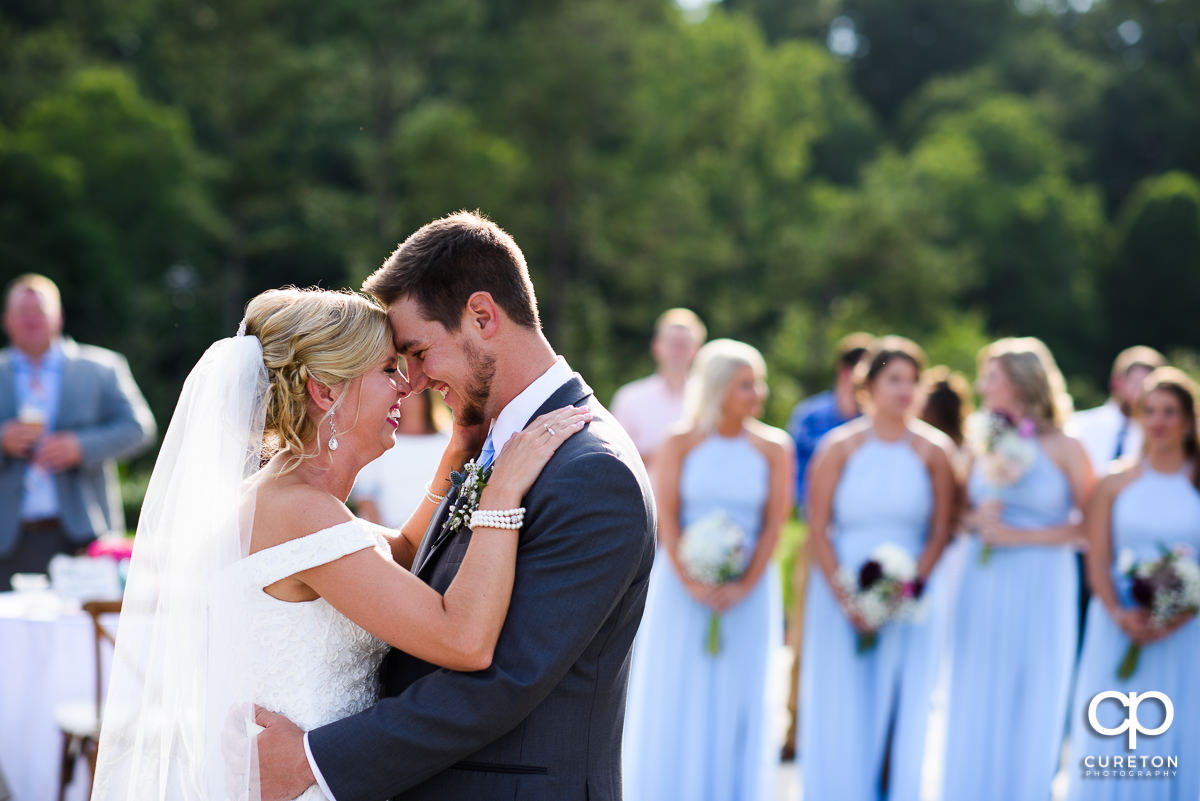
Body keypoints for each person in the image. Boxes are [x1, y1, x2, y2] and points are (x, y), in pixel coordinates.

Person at [90, 286, 591, 801]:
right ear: (325, 391)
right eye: (385, 370)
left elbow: (396, 556)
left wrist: (460, 450)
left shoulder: (287, 497)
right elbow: (462, 640)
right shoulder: (301, 512)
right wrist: (502, 496)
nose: (406, 386)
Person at [257, 212, 657, 801]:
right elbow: (409, 569)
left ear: (481, 316)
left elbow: (503, 678)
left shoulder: (592, 471)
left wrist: (314, 762)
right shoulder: (486, 442)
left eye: (417, 352)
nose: (412, 381)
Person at [622, 339, 793, 801]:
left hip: (752, 592)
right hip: (681, 589)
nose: (757, 392)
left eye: (757, 382)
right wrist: (692, 580)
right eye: (745, 384)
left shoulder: (776, 447)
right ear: (718, 388)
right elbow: (668, 520)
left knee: (741, 692)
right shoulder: (680, 442)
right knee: (681, 690)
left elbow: (775, 526)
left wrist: (743, 586)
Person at [935, 337, 1094, 801]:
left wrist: (1022, 536)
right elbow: (957, 514)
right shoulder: (980, 440)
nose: (982, 386)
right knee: (977, 688)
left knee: (1033, 689)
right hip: (984, 582)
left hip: (1043, 581)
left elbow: (1090, 529)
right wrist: (974, 521)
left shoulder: (1065, 446)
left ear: (1021, 382)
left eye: (991, 377)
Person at [799, 337, 956, 801]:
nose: (905, 390)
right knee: (843, 703)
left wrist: (905, 590)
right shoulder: (838, 447)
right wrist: (848, 597)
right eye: (894, 379)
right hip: (840, 593)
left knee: (905, 705)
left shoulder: (935, 451)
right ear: (868, 386)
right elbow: (817, 529)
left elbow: (940, 531)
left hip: (913, 598)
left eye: (912, 380)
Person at [1064, 367, 1200, 801]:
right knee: (1116, 737)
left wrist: (1177, 615)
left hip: (1186, 633)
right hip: (1118, 624)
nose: (1159, 421)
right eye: (1150, 411)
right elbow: (1097, 559)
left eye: (1170, 411)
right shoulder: (1112, 483)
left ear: (1188, 419)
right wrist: (1121, 613)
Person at [0, 274, 155, 588]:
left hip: (81, 533)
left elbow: (139, 427)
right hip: (7, 539)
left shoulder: (101, 367)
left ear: (58, 316)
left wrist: (81, 446)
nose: (31, 320)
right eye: (22, 312)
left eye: (39, 311)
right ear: (7, 320)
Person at [780, 331, 872, 759]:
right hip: (820, 538)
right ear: (844, 371)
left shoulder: (881, 421)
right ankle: (795, 729)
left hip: (866, 539)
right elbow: (797, 478)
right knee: (805, 632)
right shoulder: (812, 417)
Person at [610, 307, 706, 470]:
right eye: (673, 344)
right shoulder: (629, 398)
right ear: (657, 346)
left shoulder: (710, 398)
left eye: (684, 344)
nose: (678, 351)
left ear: (696, 350)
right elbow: (614, 456)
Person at [350, 390, 450, 527]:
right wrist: (386, 539)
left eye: (413, 396)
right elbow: (365, 494)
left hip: (434, 533)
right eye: (402, 397)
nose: (407, 402)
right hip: (389, 533)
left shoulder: (447, 441)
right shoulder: (381, 441)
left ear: (427, 398)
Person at [1069, 346, 1166, 476]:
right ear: (1117, 383)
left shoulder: (1161, 436)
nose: (1142, 394)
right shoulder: (1079, 425)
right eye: (1137, 384)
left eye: (1150, 387)